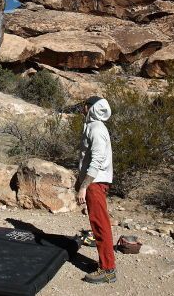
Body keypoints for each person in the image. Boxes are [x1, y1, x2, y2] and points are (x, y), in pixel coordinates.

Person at [76, 95, 117, 284]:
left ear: (90, 108)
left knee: (100, 225)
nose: (83, 108)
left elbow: (97, 160)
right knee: (98, 224)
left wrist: (84, 187)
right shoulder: (93, 126)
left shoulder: (97, 128)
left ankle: (108, 270)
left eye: (85, 105)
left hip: (95, 183)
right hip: (94, 182)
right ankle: (105, 265)